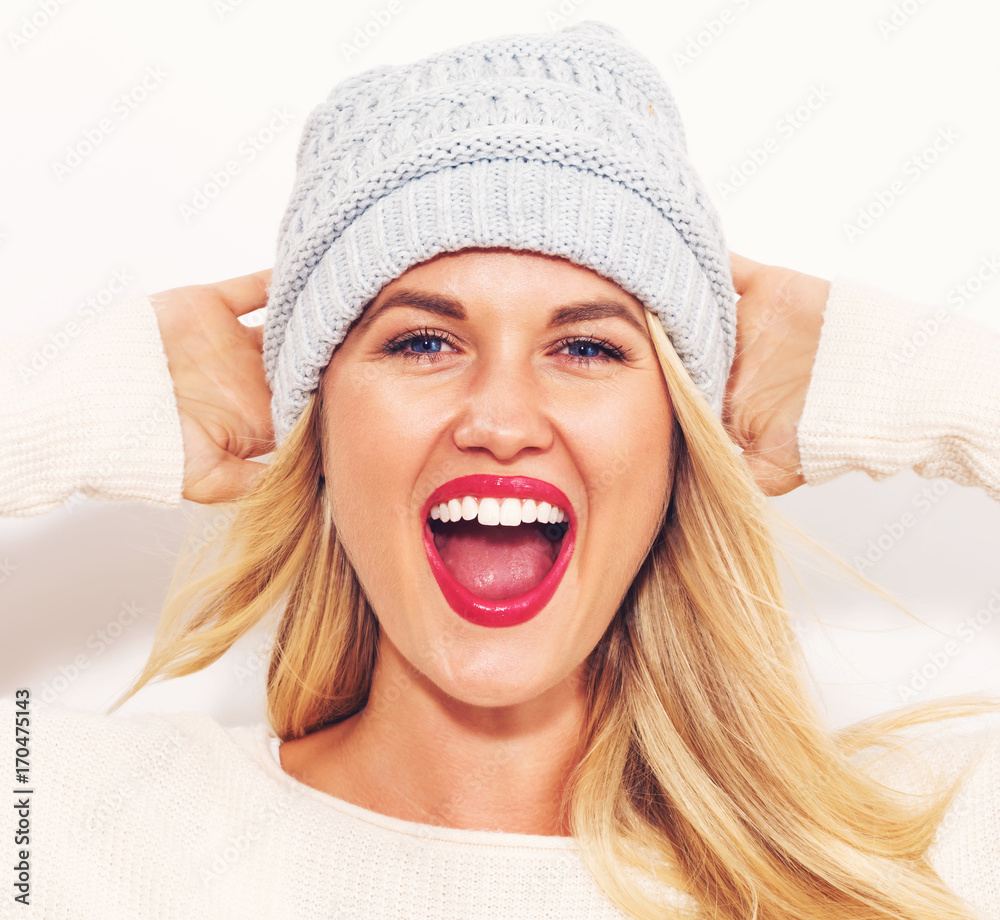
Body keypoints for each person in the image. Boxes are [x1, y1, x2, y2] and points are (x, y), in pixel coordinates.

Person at [2, 19, 1000, 920]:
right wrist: (79, 398)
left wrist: (905, 375)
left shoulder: (911, 848)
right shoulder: (56, 823)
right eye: (423, 343)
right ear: (317, 426)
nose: (500, 418)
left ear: (676, 435)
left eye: (589, 348)